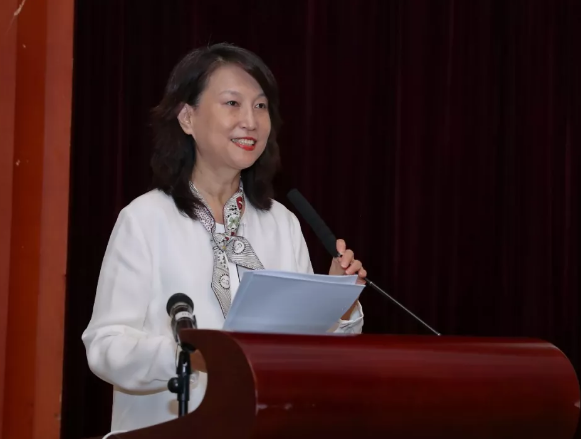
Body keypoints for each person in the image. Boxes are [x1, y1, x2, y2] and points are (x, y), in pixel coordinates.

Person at [81, 43, 367, 433]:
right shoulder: (145, 220)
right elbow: (106, 345)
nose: (250, 121)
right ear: (187, 117)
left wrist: (336, 302)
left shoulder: (281, 223)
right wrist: (190, 356)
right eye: (233, 103)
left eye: (261, 106)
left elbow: (307, 356)